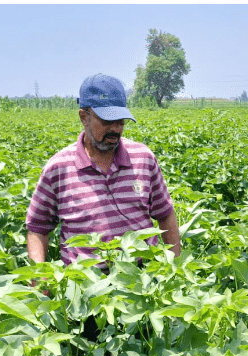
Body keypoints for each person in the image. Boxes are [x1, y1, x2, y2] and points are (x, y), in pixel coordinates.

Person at [26, 73, 181, 272]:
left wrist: (174, 270)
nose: (115, 129)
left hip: (143, 279)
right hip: (85, 284)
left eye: (121, 121)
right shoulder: (59, 168)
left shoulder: (143, 158)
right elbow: (38, 229)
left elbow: (165, 214)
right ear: (84, 117)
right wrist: (39, 280)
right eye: (107, 121)